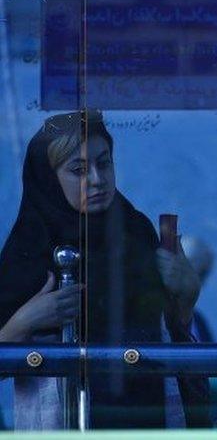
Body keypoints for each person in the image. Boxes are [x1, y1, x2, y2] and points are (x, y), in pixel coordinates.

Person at [0, 110, 204, 429]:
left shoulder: (136, 233)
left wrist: (187, 297)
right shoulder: (31, 252)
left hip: (146, 419)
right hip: (65, 423)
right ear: (50, 178)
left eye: (104, 163)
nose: (96, 180)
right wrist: (26, 321)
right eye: (78, 170)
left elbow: (170, 340)